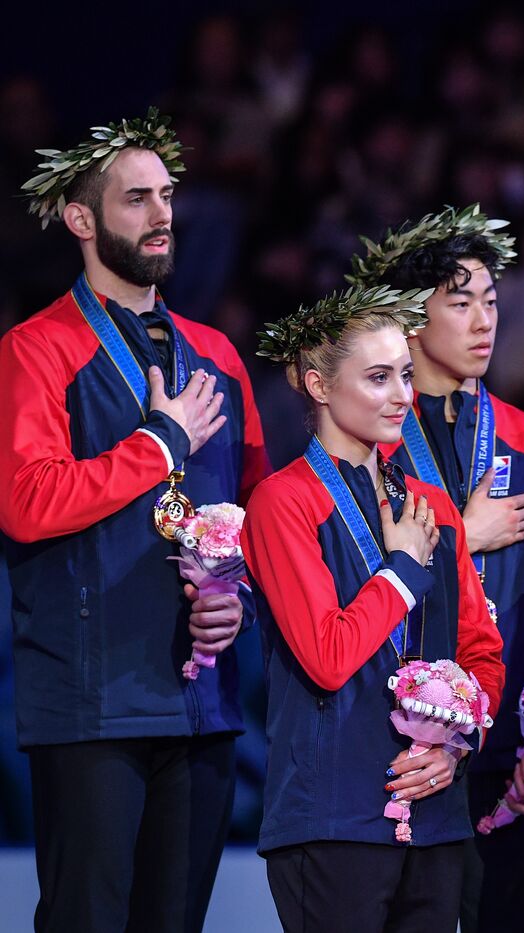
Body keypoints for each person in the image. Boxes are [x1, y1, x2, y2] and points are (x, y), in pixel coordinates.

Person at [0, 109, 268, 933]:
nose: (162, 215)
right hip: (95, 702)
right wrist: (158, 444)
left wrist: (240, 594)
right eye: (135, 200)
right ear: (81, 220)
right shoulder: (36, 349)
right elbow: (28, 501)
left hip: (203, 702)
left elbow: (258, 515)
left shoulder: (216, 354)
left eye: (167, 196)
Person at [244, 285, 505, 933]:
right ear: (320, 385)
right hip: (333, 813)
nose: (401, 394)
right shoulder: (284, 502)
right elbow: (327, 656)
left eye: (407, 375)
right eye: (379, 376)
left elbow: (481, 653)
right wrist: (403, 570)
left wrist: (460, 741)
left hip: (436, 813)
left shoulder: (433, 505)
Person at [349, 205, 524, 933]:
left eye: (491, 301)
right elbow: (348, 580)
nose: (484, 320)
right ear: (413, 318)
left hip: (514, 749)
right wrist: (463, 539)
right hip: (399, 747)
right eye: (460, 302)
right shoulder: (370, 440)